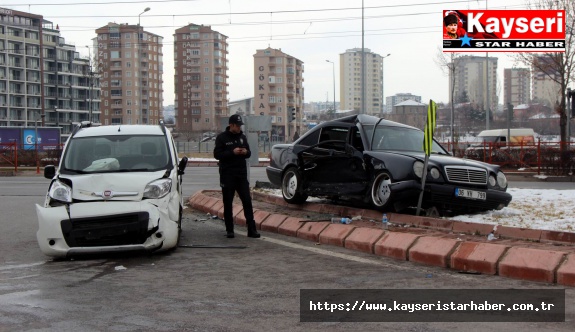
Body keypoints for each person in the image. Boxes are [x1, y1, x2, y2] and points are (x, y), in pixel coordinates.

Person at [213, 114, 261, 239]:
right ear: (231, 125)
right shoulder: (222, 138)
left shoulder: (242, 137)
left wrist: (245, 152)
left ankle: (251, 230)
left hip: (241, 174)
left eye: (240, 126)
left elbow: (249, 153)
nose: (239, 128)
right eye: (237, 126)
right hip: (227, 174)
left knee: (247, 201)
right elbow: (217, 154)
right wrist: (232, 152)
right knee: (228, 203)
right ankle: (230, 230)